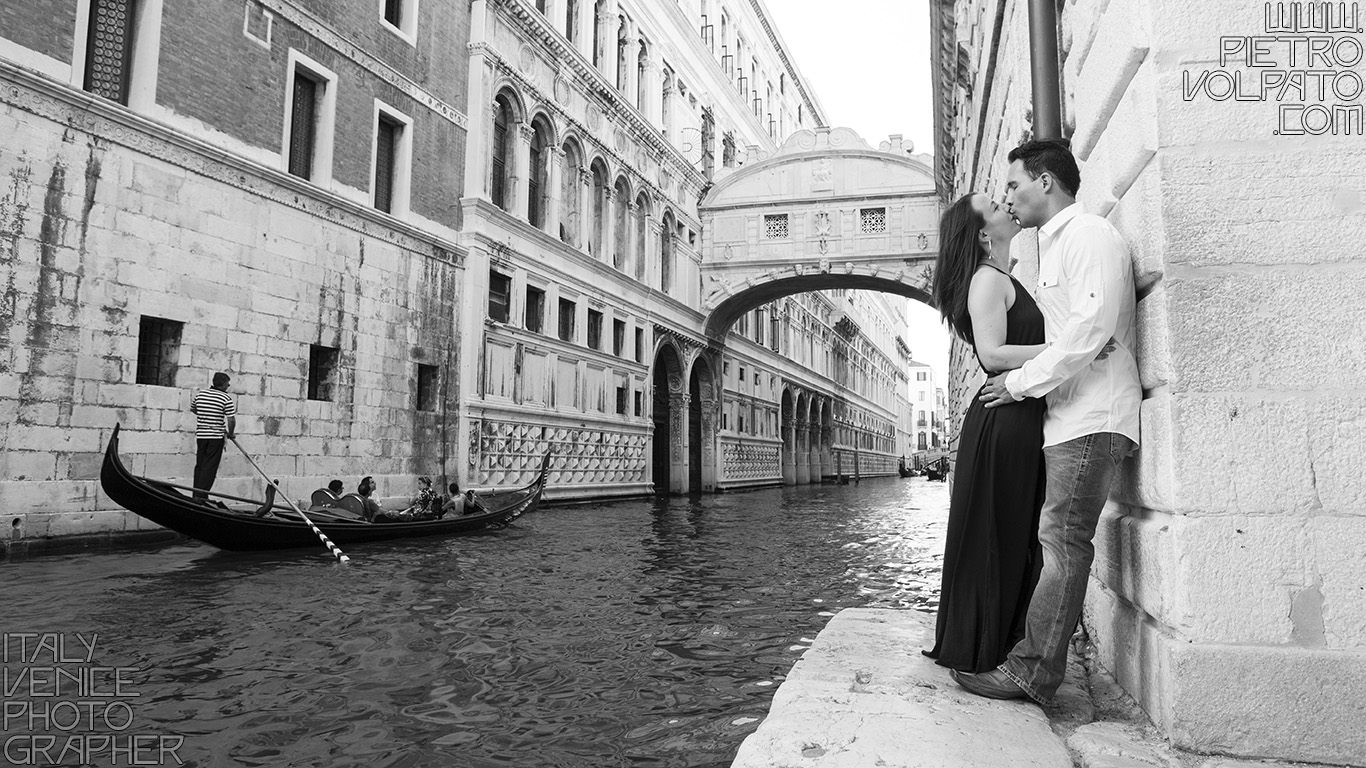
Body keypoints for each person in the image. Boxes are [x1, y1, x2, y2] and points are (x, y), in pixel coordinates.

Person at [953, 139, 1141, 704]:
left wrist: (1015, 382)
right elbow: (1075, 335)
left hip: (1090, 414)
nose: (1008, 196)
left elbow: (1089, 331)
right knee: (1060, 540)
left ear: (1045, 183)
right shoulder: (1055, 248)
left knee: (1061, 542)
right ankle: (1030, 662)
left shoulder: (1087, 236)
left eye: (1013, 184)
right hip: (1068, 416)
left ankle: (1031, 672)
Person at [923, 190, 1049, 674]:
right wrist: (1065, 346)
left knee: (1007, 528)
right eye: (996, 207)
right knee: (1003, 530)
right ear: (982, 233)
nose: (1006, 205)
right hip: (1005, 417)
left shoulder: (998, 277)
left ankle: (995, 642)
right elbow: (993, 354)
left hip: (1010, 412)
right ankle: (987, 647)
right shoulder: (986, 279)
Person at [189, 372, 236, 500]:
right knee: (209, 467)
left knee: (200, 465)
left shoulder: (201, 394)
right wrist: (231, 434)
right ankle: (201, 497)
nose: (229, 385)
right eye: (227, 383)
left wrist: (206, 417)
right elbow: (231, 419)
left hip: (202, 436)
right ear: (222, 384)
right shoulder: (225, 398)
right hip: (215, 437)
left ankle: (196, 495)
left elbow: (194, 409)